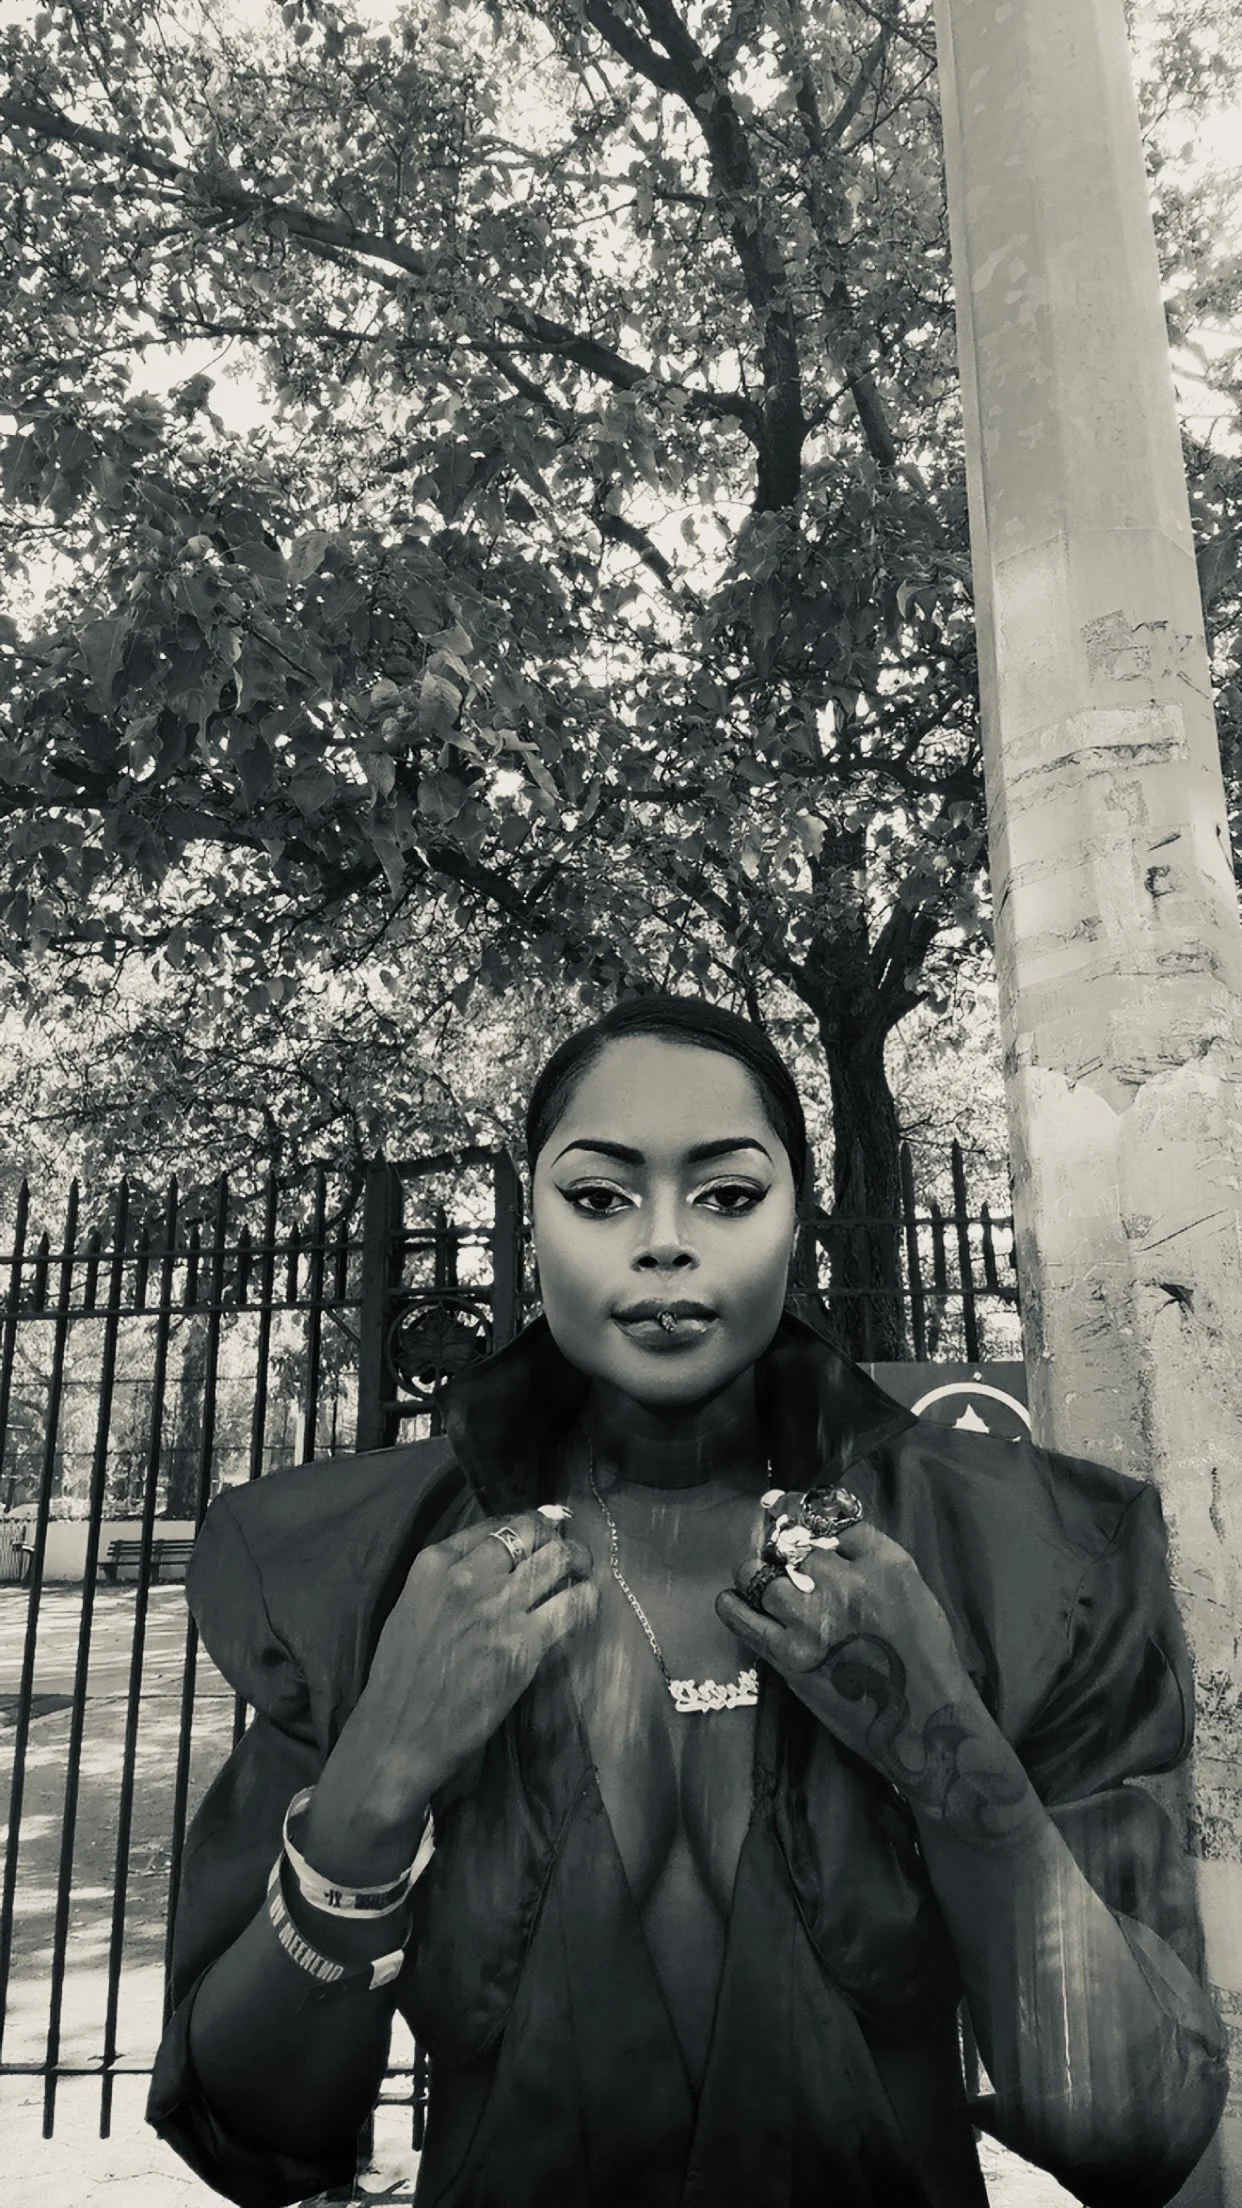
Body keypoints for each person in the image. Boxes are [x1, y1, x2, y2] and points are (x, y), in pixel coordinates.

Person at [147, 994, 1228, 2208]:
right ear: (533, 1222)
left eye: (725, 1194)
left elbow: (1132, 2131)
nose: (664, 1244)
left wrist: (942, 1736)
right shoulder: (367, 1567)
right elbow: (247, 2131)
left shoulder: (1025, 1553)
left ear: (798, 1221)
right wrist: (373, 1785)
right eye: (600, 1197)